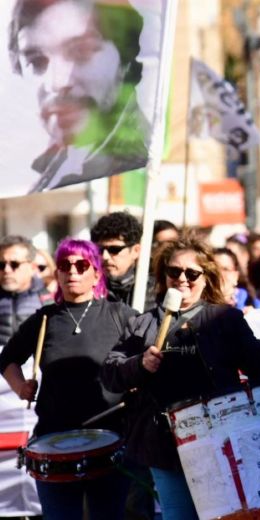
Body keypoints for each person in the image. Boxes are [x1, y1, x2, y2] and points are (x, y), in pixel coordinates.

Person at [101, 233, 260, 519]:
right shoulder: (142, 324)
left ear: (206, 278)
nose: (182, 279)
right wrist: (139, 364)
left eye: (192, 273)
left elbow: (255, 355)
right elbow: (110, 372)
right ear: (163, 275)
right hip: (165, 444)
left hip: (220, 437)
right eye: (174, 271)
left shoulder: (223, 318)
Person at [0, 239, 137, 519]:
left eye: (81, 265)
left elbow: (148, 356)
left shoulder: (119, 315)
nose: (72, 271)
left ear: (96, 273)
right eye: (65, 265)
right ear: (57, 273)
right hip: (55, 441)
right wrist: (21, 387)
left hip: (112, 440)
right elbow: (6, 360)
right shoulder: (45, 319)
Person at [9, 0, 150, 193]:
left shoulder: (147, 164)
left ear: (124, 62)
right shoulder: (47, 174)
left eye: (80, 52)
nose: (57, 83)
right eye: (36, 62)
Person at [0, 235, 50, 517]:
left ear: (32, 266)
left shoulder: (50, 304)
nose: (6, 269)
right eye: (1, 264)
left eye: (14, 263)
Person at [90, 211, 156, 310]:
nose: (105, 256)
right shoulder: (89, 289)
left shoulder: (154, 291)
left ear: (135, 251)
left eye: (114, 249)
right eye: (100, 250)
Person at [214, 247, 260, 312]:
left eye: (225, 269)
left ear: (236, 275)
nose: (219, 274)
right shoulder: (199, 304)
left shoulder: (253, 304)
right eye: (214, 269)